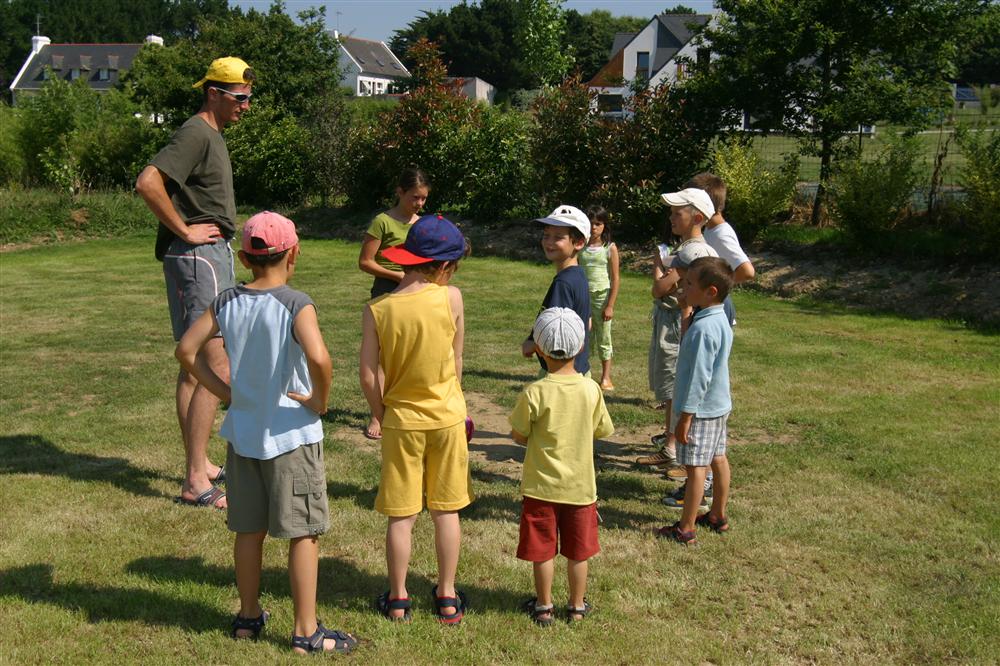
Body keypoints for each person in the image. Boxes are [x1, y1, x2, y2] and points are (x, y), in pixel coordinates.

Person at [175, 211, 358, 654]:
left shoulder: (226, 302)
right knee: (303, 533)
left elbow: (186, 349)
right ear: (293, 254)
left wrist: (224, 392)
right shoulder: (297, 303)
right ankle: (305, 631)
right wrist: (319, 399)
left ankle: (248, 616)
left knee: (248, 531)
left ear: (243, 257)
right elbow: (321, 358)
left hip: (244, 436)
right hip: (291, 438)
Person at [136, 56, 256, 509]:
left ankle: (200, 462)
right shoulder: (195, 132)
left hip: (209, 256)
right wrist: (186, 230)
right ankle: (194, 482)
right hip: (197, 258)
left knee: (195, 368)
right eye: (239, 98)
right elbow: (148, 182)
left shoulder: (212, 135)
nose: (246, 105)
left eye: (248, 97)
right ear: (214, 93)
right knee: (214, 364)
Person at [360, 214, 473, 625]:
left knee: (401, 516)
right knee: (446, 511)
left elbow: (369, 374)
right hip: (446, 418)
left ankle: (398, 598)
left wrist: (380, 411)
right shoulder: (452, 298)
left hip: (401, 422)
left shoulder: (378, 309)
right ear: (443, 267)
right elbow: (456, 360)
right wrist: (454, 398)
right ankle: (446, 595)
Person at [510, 307, 614, 626]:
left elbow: (518, 434)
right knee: (578, 552)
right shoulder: (591, 390)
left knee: (542, 551)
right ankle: (577, 606)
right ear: (581, 346)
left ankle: (543, 607)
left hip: (540, 488)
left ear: (539, 349)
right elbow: (601, 430)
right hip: (581, 489)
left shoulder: (535, 392)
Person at [655, 257, 734, 545]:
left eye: (689, 283)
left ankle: (686, 527)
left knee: (696, 467)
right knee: (717, 458)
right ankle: (717, 515)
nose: (682, 286)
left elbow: (699, 376)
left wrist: (686, 416)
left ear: (710, 291)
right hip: (718, 406)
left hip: (699, 410)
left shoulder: (703, 329)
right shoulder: (717, 316)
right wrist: (687, 313)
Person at [639, 189, 718, 472]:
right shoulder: (693, 248)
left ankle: (675, 447)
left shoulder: (691, 252)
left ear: (697, 216)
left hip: (677, 323)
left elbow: (660, 289)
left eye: (677, 213)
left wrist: (657, 266)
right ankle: (673, 445)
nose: (671, 218)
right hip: (679, 320)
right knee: (674, 385)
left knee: (674, 385)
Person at [357, 167, 431, 441]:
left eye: (423, 198)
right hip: (387, 289)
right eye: (414, 197)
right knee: (380, 356)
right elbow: (365, 261)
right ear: (399, 192)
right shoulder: (382, 222)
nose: (419, 204)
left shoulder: (422, 223)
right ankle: (377, 413)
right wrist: (398, 274)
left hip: (417, 290)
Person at [520, 205, 592, 376]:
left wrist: (532, 344)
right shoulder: (579, 275)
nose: (549, 242)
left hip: (559, 373)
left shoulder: (563, 283)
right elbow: (587, 322)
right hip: (579, 371)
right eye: (546, 236)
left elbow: (555, 333)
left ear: (579, 243)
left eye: (558, 237)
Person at [685, 172, 756, 326]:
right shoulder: (710, 229)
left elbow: (747, 271)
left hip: (718, 308)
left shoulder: (721, 235)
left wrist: (716, 287)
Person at [578, 205, 620, 391]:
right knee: (583, 335)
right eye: (591, 224)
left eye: (598, 224)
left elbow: (615, 278)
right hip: (582, 297)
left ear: (604, 226)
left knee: (603, 336)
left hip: (601, 298)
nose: (594, 228)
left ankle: (605, 377)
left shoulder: (609, 248)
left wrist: (610, 305)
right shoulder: (580, 247)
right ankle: (581, 371)